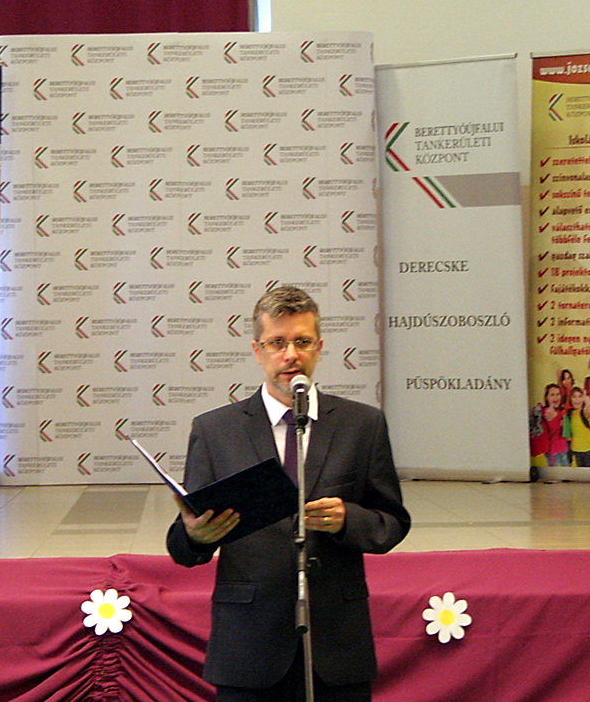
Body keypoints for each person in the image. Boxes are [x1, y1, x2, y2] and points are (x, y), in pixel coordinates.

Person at [167, 286, 410, 702]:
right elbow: (182, 546)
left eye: (302, 342)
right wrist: (195, 537)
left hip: (336, 642)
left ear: (319, 347)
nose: (290, 355)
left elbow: (392, 523)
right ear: (257, 350)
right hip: (249, 643)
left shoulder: (361, 425)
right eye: (277, 343)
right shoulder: (215, 430)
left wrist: (349, 520)